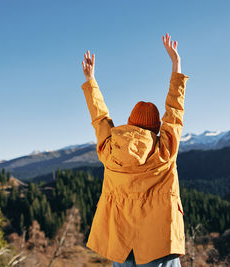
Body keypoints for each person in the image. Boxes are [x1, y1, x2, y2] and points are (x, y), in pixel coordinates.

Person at [81, 33, 189, 267]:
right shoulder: (164, 150)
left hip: (121, 244)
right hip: (160, 243)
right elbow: (175, 113)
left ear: (130, 122)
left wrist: (91, 80)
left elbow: (100, 118)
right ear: (156, 128)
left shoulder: (110, 148)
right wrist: (176, 65)